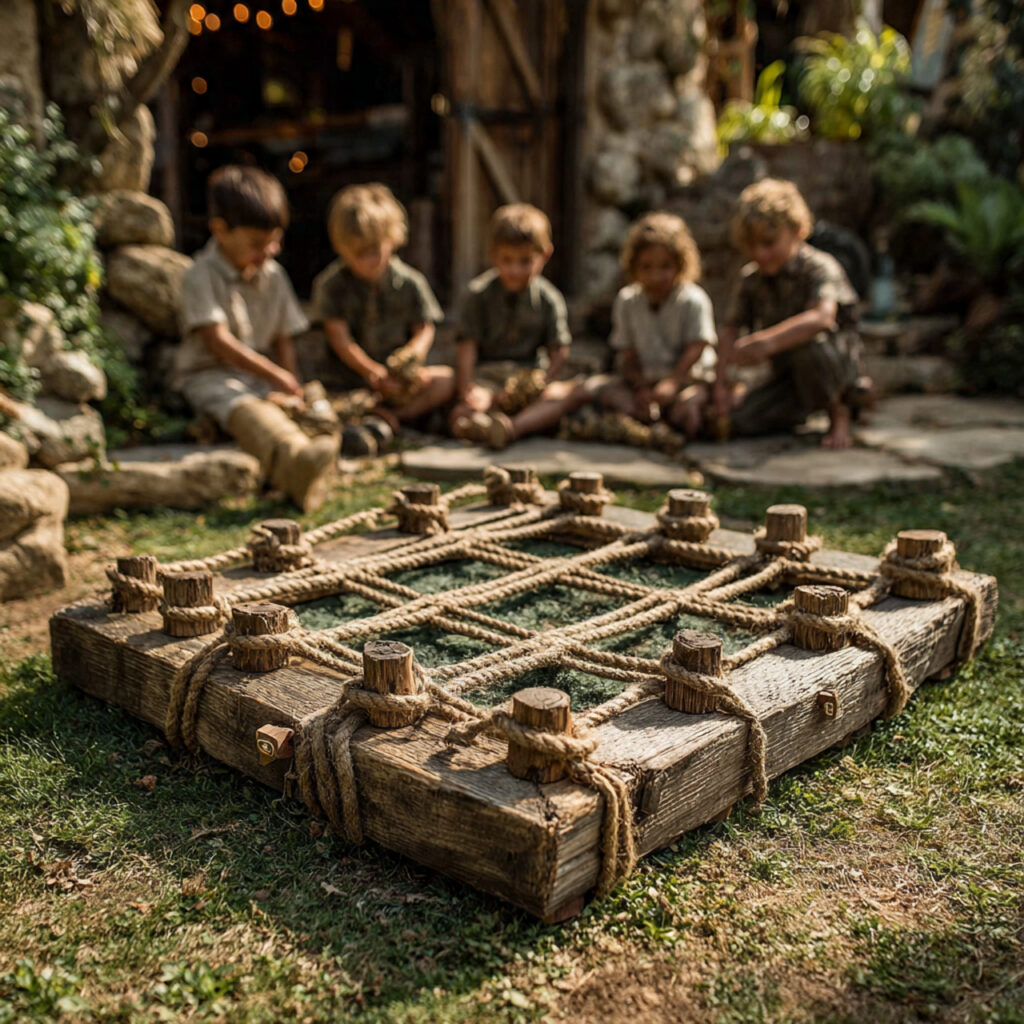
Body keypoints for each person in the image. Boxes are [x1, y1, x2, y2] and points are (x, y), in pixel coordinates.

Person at [173, 165, 338, 511]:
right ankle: (294, 461)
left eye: (275, 240)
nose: (270, 250)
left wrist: (288, 383)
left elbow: (283, 338)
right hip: (211, 378)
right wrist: (274, 375)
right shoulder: (199, 276)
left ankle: (320, 458)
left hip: (259, 377)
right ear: (220, 231)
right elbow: (218, 341)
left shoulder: (274, 275)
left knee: (308, 401)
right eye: (257, 244)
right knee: (247, 409)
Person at [712, 178, 865, 449]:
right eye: (752, 245)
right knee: (739, 421)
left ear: (798, 230)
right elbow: (730, 330)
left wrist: (767, 342)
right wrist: (721, 386)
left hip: (830, 365)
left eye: (769, 243)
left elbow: (822, 317)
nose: (760, 253)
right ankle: (799, 406)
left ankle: (841, 411)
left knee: (809, 348)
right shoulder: (751, 279)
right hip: (787, 375)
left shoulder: (820, 267)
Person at [310, 183, 453, 435]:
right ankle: (377, 418)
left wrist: (410, 359)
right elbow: (340, 339)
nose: (368, 261)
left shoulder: (410, 282)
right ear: (342, 248)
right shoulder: (330, 285)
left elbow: (424, 328)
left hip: (398, 381)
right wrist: (373, 373)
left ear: (392, 238)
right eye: (359, 254)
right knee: (319, 398)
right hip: (349, 381)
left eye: (374, 251)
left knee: (445, 380)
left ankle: (391, 418)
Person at [451, 203, 584, 449]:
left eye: (525, 261)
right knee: (464, 412)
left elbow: (559, 350)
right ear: (492, 255)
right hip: (489, 378)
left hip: (529, 378)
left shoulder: (549, 299)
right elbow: (466, 347)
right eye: (507, 260)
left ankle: (511, 429)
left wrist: (540, 382)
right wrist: (468, 390)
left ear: (544, 255)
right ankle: (491, 424)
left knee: (566, 395)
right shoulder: (478, 294)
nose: (515, 270)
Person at [599, 212, 717, 439]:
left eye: (665, 266)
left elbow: (697, 346)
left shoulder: (692, 299)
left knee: (691, 407)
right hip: (644, 382)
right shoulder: (627, 300)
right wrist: (640, 387)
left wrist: (673, 382)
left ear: (680, 264)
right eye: (646, 267)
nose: (655, 275)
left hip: (687, 380)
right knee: (607, 394)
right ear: (634, 266)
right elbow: (627, 353)